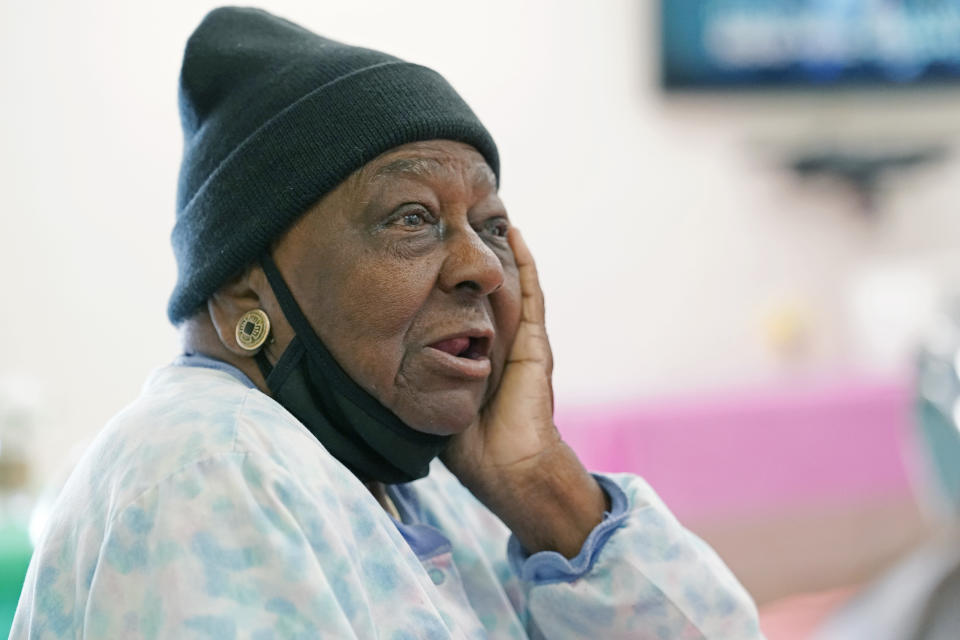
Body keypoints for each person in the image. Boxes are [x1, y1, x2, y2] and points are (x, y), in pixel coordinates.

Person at [11, 7, 763, 639]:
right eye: (412, 218)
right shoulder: (210, 461)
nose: (485, 269)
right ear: (244, 292)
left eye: (493, 225)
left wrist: (543, 488)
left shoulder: (428, 483)